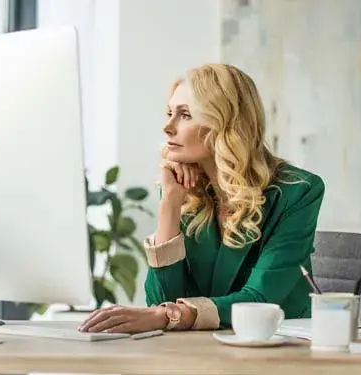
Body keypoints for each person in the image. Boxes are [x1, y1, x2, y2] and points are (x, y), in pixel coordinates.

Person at [79, 63, 325, 334]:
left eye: (185, 115)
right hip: (202, 348)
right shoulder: (183, 189)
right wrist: (170, 203)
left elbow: (260, 300)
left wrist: (168, 316)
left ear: (225, 122)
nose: (167, 127)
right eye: (170, 113)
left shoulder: (299, 190)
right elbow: (161, 301)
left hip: (281, 348)